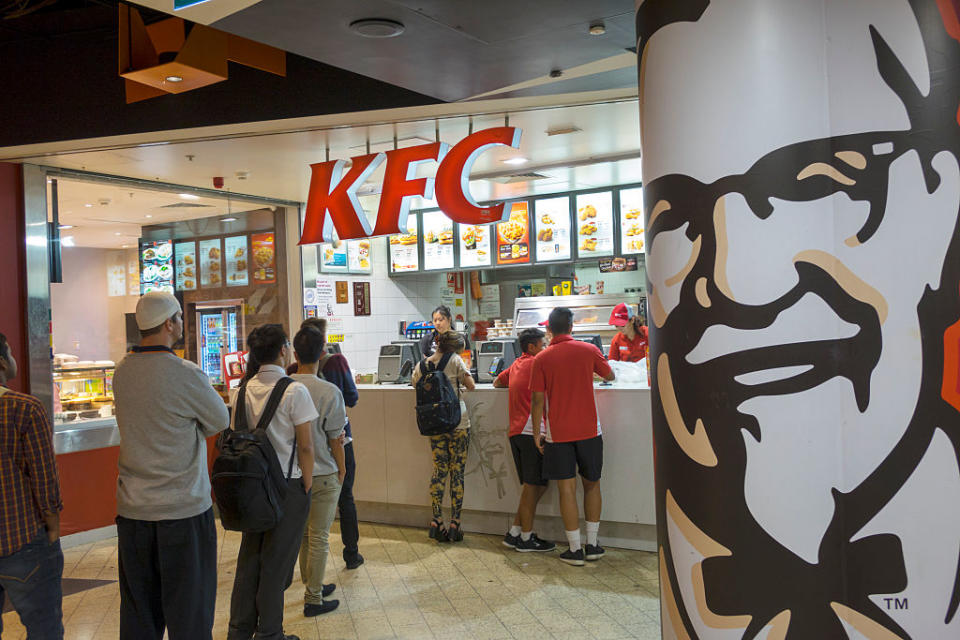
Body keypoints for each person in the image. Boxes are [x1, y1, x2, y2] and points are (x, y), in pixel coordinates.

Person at [112, 292, 229, 640]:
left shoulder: (121, 372)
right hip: (182, 511)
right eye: (179, 316)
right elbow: (219, 419)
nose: (181, 322)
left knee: (139, 615)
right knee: (189, 613)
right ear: (169, 323)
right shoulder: (186, 373)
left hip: (134, 513)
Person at [227, 324, 316, 640]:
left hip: (249, 486)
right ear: (282, 350)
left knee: (250, 558)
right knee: (276, 563)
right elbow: (305, 446)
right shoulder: (294, 391)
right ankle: (269, 633)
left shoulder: (239, 390)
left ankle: (239, 630)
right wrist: (307, 484)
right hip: (287, 487)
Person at [530, 307, 614, 566]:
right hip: (590, 430)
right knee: (592, 484)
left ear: (549, 330)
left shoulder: (541, 359)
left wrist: (537, 433)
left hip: (559, 433)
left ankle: (575, 549)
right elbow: (609, 374)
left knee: (567, 489)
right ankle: (593, 544)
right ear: (572, 327)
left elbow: (536, 399)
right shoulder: (588, 350)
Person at [0, 332, 64, 640]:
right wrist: (52, 527)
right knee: (43, 629)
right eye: (10, 354)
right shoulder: (25, 408)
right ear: (1, 363)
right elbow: (44, 477)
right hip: (22, 538)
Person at [287, 317, 364, 570]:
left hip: (302, 447)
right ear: (323, 345)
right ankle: (351, 553)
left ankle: (308, 569)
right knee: (345, 498)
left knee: (307, 508)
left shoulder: (290, 375)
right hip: (339, 440)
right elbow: (352, 397)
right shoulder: (337, 363)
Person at [290, 325, 347, 617]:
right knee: (320, 536)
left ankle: (311, 581)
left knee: (303, 533)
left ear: (295, 353)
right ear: (322, 353)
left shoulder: (283, 386)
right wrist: (343, 468)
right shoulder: (328, 391)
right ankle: (313, 598)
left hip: (293, 474)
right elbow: (336, 437)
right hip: (324, 471)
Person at [493, 328, 555, 553]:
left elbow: (497, 382)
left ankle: (515, 533)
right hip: (533, 432)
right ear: (532, 347)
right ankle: (527, 539)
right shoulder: (537, 365)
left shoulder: (517, 364)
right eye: (543, 345)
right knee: (533, 486)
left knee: (536, 485)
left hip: (516, 433)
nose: (546, 348)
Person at [412, 330, 475, 542]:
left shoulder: (421, 365)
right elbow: (471, 386)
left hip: (435, 424)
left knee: (439, 470)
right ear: (455, 347)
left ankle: (436, 520)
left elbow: (415, 385)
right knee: (457, 472)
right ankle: (456, 523)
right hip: (458, 422)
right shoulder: (456, 360)